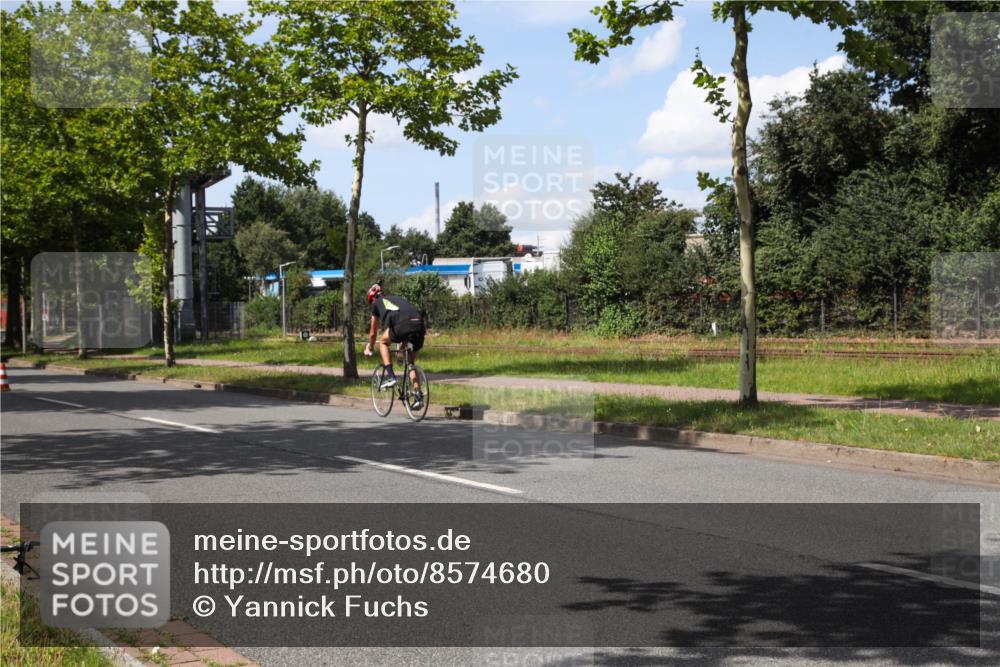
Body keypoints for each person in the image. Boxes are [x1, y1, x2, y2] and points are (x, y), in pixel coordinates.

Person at [362, 284, 426, 403]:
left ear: (372, 299)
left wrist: (369, 347)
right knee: (411, 364)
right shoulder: (396, 298)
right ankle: (418, 396)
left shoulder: (376, 303)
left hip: (403, 325)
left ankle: (391, 376)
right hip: (420, 325)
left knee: (383, 341)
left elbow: (372, 333)